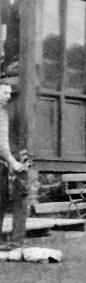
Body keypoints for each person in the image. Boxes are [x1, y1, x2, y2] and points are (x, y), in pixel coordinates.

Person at [0, 79, 28, 245]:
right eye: (4, 92)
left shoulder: (5, 112)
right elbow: (1, 144)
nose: (8, 96)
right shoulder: (2, 114)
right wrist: (13, 162)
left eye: (10, 93)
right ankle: (16, 240)